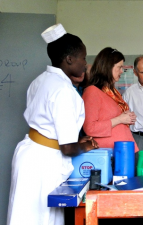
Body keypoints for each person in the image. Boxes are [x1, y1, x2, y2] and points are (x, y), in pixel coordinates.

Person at [7, 24, 98, 225]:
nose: (85, 63)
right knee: (41, 219)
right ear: (69, 59)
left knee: (24, 217)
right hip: (43, 164)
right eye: (83, 57)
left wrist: (75, 140)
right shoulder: (63, 90)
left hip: (30, 154)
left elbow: (48, 127)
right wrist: (85, 145)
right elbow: (67, 148)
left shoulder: (39, 81)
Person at [82, 47, 139, 152]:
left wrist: (126, 117)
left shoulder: (112, 92)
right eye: (119, 67)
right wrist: (120, 119)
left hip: (123, 152)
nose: (122, 71)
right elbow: (90, 128)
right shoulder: (92, 92)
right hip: (109, 155)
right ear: (108, 67)